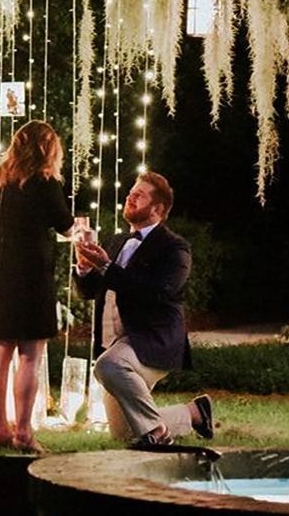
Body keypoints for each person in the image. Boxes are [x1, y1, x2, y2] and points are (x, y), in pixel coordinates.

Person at [74, 171, 214, 448]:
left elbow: (157, 292)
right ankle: (194, 413)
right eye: (130, 193)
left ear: (158, 209)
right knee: (124, 433)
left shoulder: (175, 247)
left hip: (152, 341)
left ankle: (158, 437)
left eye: (139, 195)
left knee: (109, 366)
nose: (130, 197)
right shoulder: (116, 242)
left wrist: (106, 267)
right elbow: (91, 291)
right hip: (114, 342)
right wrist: (84, 268)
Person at [0, 120, 73, 452]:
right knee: (30, 357)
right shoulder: (45, 182)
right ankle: (23, 433)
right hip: (32, 273)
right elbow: (64, 224)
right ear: (48, 148)